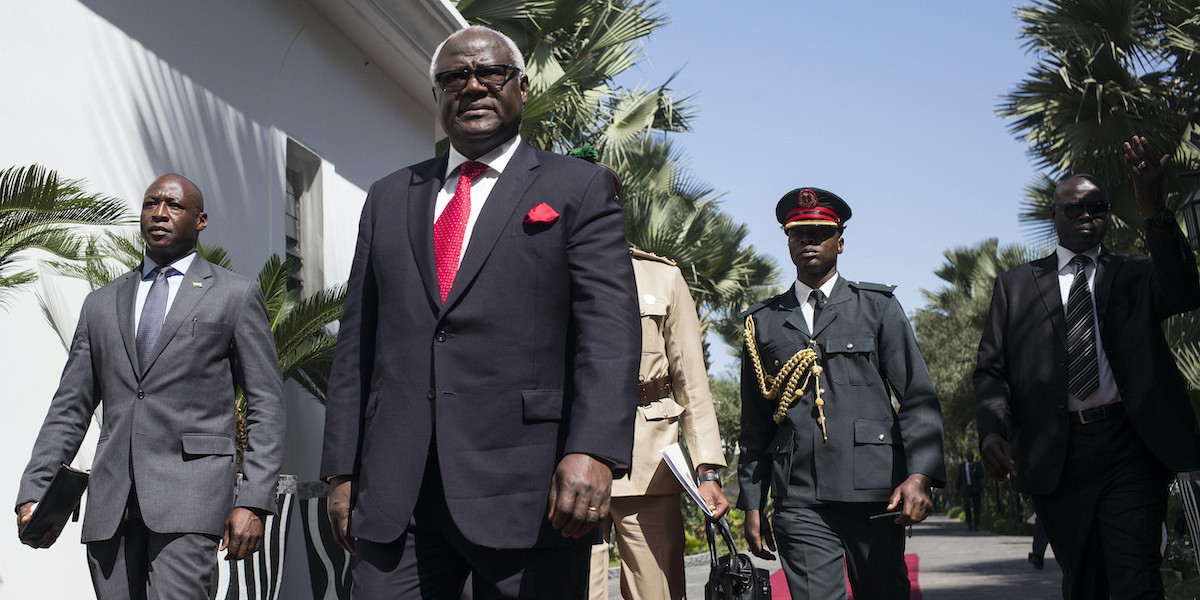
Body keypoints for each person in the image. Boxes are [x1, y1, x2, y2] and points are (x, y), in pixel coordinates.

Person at [319, 26, 640, 599]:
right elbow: (357, 346)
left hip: (530, 491)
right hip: (398, 493)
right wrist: (342, 471)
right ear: (438, 94)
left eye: (490, 73)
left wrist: (593, 449)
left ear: (519, 87)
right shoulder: (389, 196)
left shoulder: (578, 188)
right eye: (454, 77)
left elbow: (608, 333)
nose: (472, 86)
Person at [15, 174, 285, 599]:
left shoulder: (235, 295)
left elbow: (266, 403)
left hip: (191, 502)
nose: (159, 213)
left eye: (174, 206)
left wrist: (252, 499)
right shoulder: (101, 304)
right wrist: (36, 490)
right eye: (151, 203)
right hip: (110, 504)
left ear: (201, 220)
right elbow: (70, 407)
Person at [974, 135, 1200, 599]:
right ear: (1054, 217)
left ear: (1107, 216)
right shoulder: (1015, 286)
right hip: (1057, 452)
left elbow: (1184, 289)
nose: (1085, 218)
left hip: (1130, 444)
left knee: (1136, 576)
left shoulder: (1135, 273)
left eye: (1096, 209)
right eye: (1073, 210)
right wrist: (992, 430)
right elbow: (991, 369)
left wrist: (1154, 207)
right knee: (1084, 582)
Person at [738, 187, 946, 599]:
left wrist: (920, 475)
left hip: (876, 492)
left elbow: (917, 397)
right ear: (788, 241)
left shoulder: (877, 307)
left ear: (840, 241)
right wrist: (752, 499)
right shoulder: (764, 322)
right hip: (799, 496)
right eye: (798, 233)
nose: (808, 240)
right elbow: (755, 422)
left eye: (819, 231)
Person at [586, 247, 731, 600]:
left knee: (658, 593)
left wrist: (707, 470)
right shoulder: (552, 263)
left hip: (649, 461)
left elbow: (691, 382)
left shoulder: (662, 276)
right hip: (573, 462)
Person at [957, 457, 984, 531]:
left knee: (976, 507)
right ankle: (969, 523)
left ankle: (976, 524)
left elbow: (982, 475)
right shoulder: (962, 466)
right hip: (966, 490)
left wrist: (975, 471)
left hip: (976, 490)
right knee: (967, 506)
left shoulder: (977, 465)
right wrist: (957, 489)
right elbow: (959, 478)